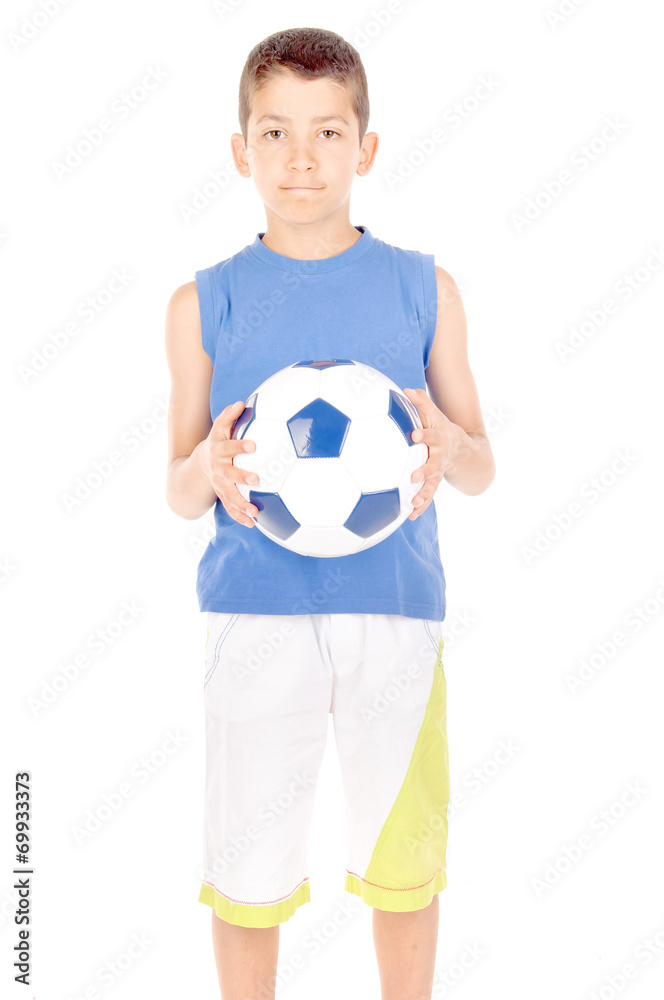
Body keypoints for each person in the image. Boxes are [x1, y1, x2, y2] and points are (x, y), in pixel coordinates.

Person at [165, 26, 495, 1000]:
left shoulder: (426, 289)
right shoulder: (202, 303)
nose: (300, 159)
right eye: (274, 133)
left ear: (367, 147)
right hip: (253, 617)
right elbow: (177, 486)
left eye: (327, 133)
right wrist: (209, 468)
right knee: (248, 865)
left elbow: (482, 468)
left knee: (404, 858)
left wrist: (448, 444)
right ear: (241, 151)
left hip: (395, 612)